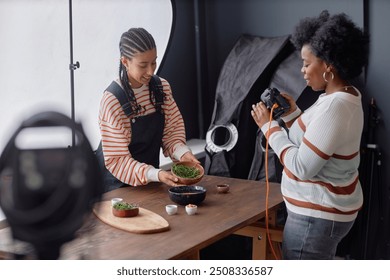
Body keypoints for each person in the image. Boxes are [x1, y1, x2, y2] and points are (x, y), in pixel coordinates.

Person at [251, 10, 369, 259]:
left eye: (306, 64)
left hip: (315, 219)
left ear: (328, 65)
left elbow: (302, 167)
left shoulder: (335, 106)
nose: (302, 71)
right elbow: (314, 142)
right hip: (320, 216)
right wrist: (293, 114)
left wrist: (268, 127)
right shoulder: (340, 96)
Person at [96, 27, 199, 192]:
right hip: (115, 188)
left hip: (150, 182)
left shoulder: (161, 88)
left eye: (153, 62)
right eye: (143, 65)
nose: (151, 71)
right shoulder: (112, 100)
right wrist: (155, 174)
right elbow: (118, 160)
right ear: (125, 62)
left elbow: (172, 134)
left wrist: (184, 154)